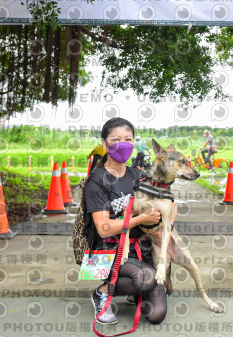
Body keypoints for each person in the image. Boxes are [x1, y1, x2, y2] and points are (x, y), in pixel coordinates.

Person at [84, 117, 168, 325]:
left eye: (128, 139)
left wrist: (165, 212)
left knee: (157, 315)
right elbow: (103, 229)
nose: (123, 144)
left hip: (140, 250)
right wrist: (140, 219)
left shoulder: (139, 176)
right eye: (116, 139)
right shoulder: (97, 181)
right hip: (108, 250)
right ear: (104, 144)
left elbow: (163, 204)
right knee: (146, 278)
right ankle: (102, 291)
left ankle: (136, 287)